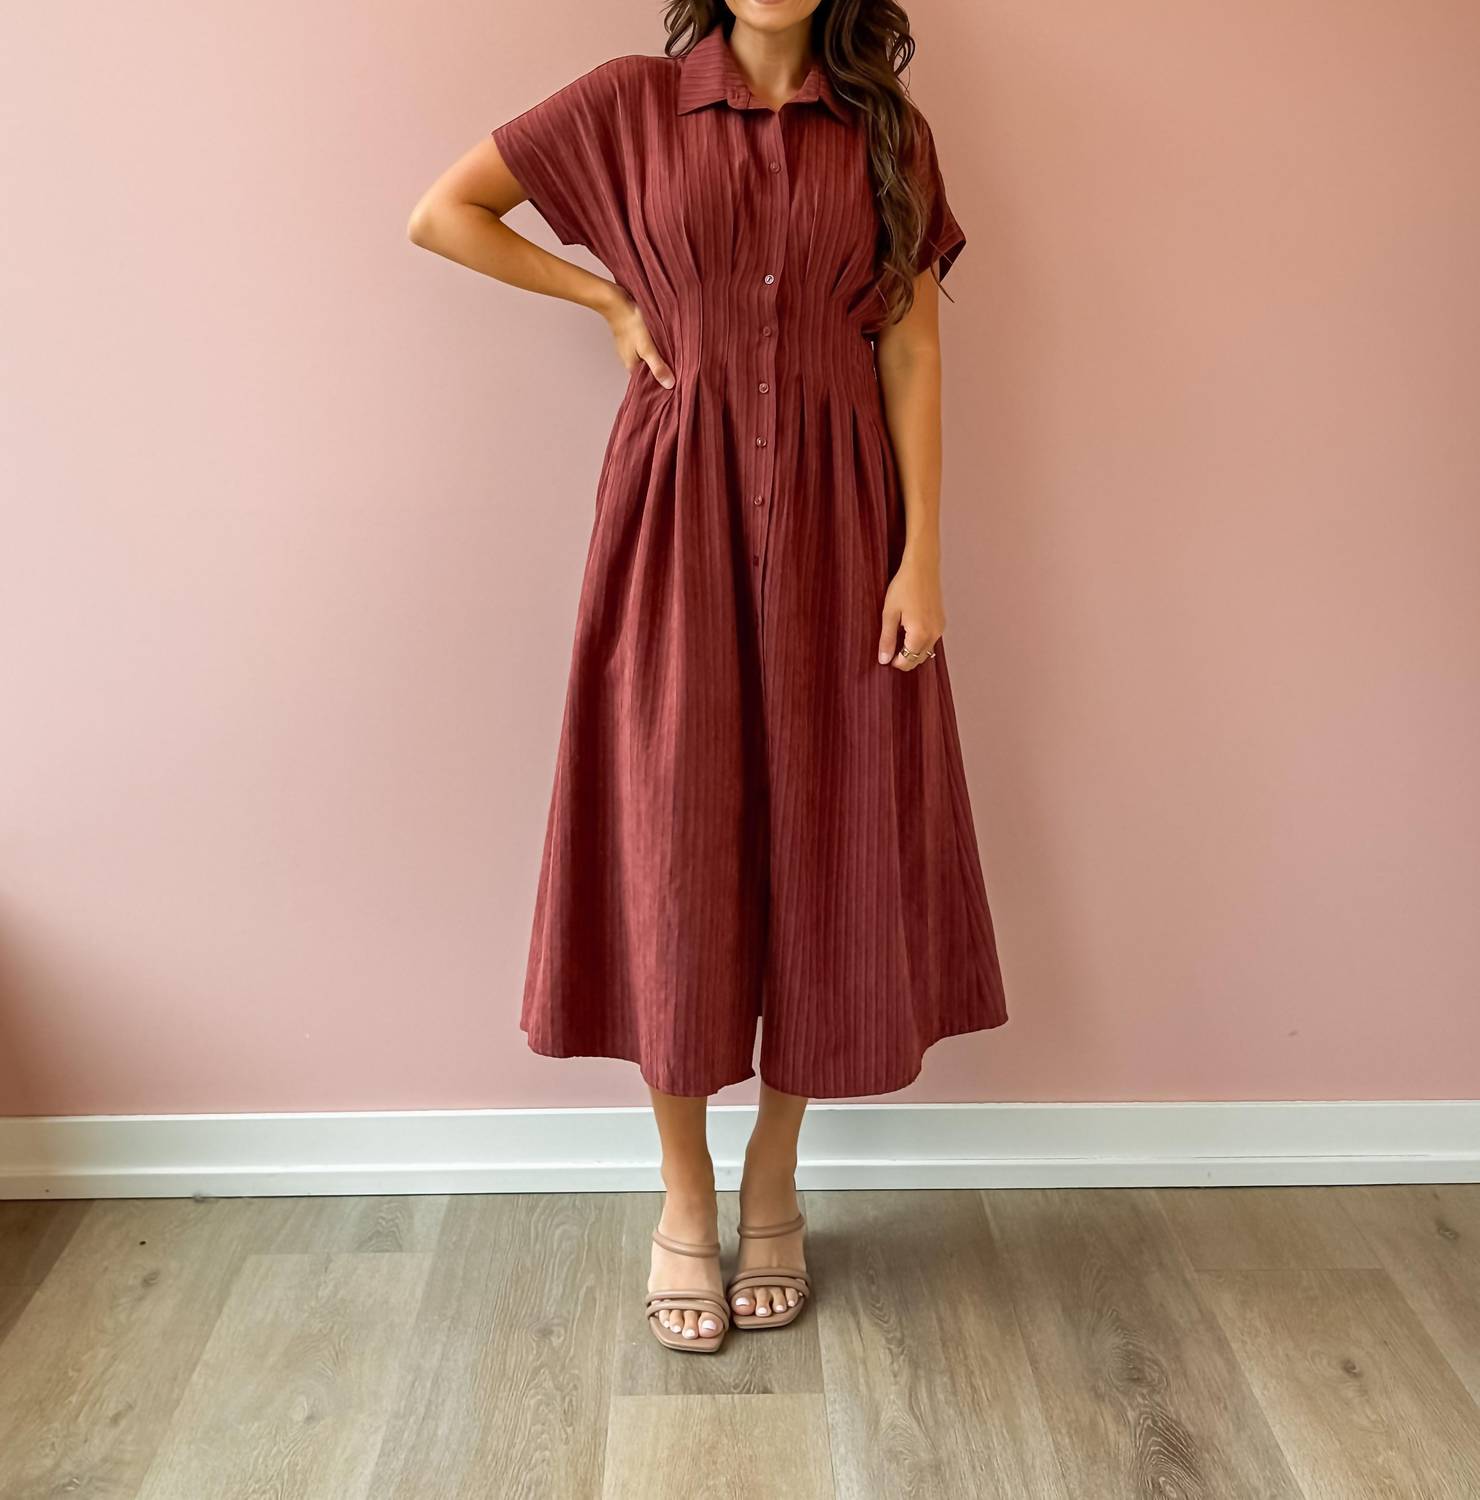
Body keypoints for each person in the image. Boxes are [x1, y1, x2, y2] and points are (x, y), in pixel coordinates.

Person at [407, 0, 1008, 1354]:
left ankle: (775, 1179)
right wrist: (608, 298)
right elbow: (444, 214)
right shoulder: (628, 103)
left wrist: (921, 553)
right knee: (672, 831)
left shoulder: (889, 134)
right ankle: (684, 1193)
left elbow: (911, 343)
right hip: (673, 504)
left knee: (828, 832)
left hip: (845, 519)